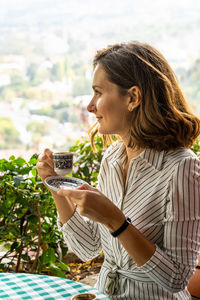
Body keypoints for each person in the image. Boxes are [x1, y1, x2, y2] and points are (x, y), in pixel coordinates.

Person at [36, 41, 200, 300]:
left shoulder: (183, 167)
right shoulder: (112, 158)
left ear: (133, 97)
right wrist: (56, 184)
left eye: (98, 93)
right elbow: (87, 247)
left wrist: (117, 221)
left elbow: (177, 279)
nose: (91, 106)